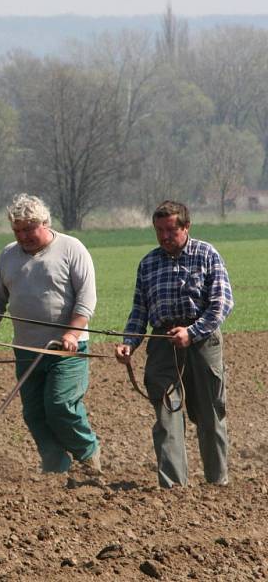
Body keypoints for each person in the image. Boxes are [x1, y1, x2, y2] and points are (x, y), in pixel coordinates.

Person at [0, 194, 101, 474]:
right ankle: (56, 467)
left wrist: (71, 333)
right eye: (17, 230)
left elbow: (86, 300)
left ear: (45, 223)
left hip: (67, 349)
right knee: (34, 413)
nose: (22, 236)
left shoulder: (71, 249)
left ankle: (88, 454)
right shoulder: (8, 255)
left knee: (59, 405)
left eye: (28, 229)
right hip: (27, 349)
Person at [115, 200, 233, 488]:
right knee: (167, 416)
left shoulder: (206, 255)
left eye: (170, 230)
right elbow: (139, 311)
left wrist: (192, 333)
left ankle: (218, 483)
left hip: (202, 344)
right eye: (159, 230)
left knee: (209, 416)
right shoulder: (148, 263)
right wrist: (129, 343)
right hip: (162, 344)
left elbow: (221, 304)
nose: (164, 236)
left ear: (186, 227)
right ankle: (173, 488)